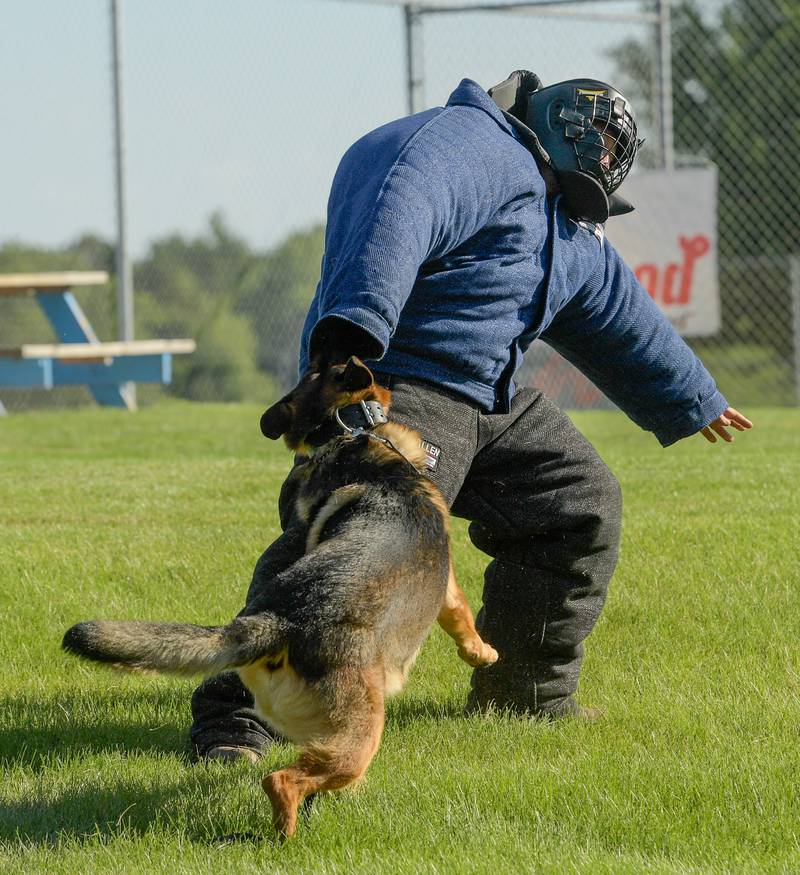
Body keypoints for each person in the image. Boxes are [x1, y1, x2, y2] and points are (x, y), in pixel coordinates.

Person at [189, 72, 752, 762]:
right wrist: (355, 329)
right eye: (600, 138)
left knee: (578, 502)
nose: (607, 156)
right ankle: (236, 721)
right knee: (355, 548)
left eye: (616, 151)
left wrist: (694, 395)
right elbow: (400, 200)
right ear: (562, 119)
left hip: (494, 403)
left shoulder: (567, 226)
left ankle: (525, 697)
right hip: (396, 383)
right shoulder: (468, 145)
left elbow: (617, 312)